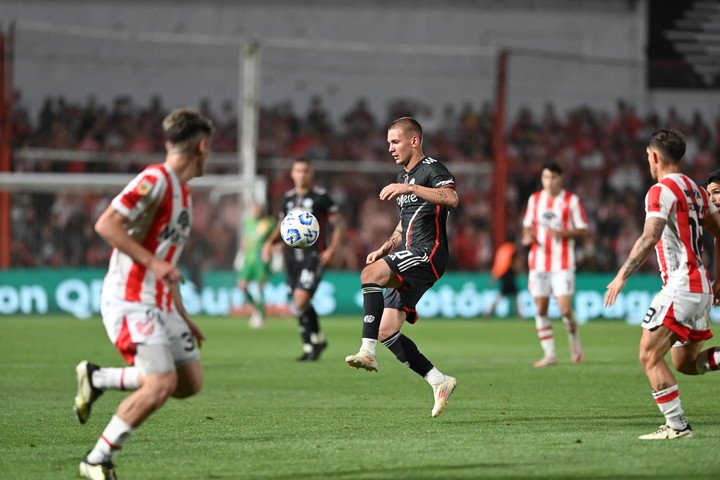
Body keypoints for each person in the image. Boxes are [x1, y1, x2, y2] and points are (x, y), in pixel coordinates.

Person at [73, 108, 213, 479]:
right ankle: (97, 459)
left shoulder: (183, 194)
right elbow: (106, 224)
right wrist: (152, 264)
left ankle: (98, 378)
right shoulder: (155, 179)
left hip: (162, 303)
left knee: (188, 382)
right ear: (201, 146)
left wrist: (183, 315)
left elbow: (168, 262)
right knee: (161, 383)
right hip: (131, 299)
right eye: (209, 148)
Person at [605, 129, 720, 440]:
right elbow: (719, 231)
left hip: (680, 285)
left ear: (654, 156)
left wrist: (621, 275)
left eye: (647, 157)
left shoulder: (659, 191)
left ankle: (677, 426)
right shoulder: (697, 190)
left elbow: (650, 235)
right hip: (701, 288)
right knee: (686, 363)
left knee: (648, 356)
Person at [344, 117, 459, 418]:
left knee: (370, 275)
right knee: (387, 330)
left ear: (414, 141)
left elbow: (451, 198)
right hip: (409, 250)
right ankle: (439, 380)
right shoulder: (403, 176)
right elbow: (405, 223)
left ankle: (366, 352)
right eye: (388, 143)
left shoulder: (433, 169)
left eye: (395, 142)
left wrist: (411, 187)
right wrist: (385, 246)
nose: (391, 148)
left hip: (428, 252)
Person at [262, 158, 344, 361]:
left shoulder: (321, 197)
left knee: (300, 299)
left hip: (313, 256)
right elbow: (282, 226)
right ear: (292, 174)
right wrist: (268, 244)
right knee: (299, 303)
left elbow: (338, 225)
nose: (302, 174)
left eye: (305, 171)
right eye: (298, 171)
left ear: (311, 173)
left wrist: (331, 249)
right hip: (291, 258)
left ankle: (311, 343)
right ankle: (314, 343)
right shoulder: (287, 199)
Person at [521, 162, 588, 367]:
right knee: (541, 309)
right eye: (545, 177)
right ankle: (549, 354)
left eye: (553, 177)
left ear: (561, 178)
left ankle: (574, 338)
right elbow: (527, 226)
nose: (549, 182)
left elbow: (583, 229)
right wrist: (527, 237)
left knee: (565, 309)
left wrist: (563, 233)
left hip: (562, 262)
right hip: (539, 263)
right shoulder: (535, 199)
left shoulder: (571, 200)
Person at [235, 202, 276, 328]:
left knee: (259, 287)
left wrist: (271, 251)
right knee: (242, 285)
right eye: (254, 210)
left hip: (261, 260)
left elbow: (275, 239)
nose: (256, 212)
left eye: (258, 210)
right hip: (249, 260)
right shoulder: (248, 222)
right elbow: (247, 239)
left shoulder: (269, 222)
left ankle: (262, 316)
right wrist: (241, 252)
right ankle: (255, 312)